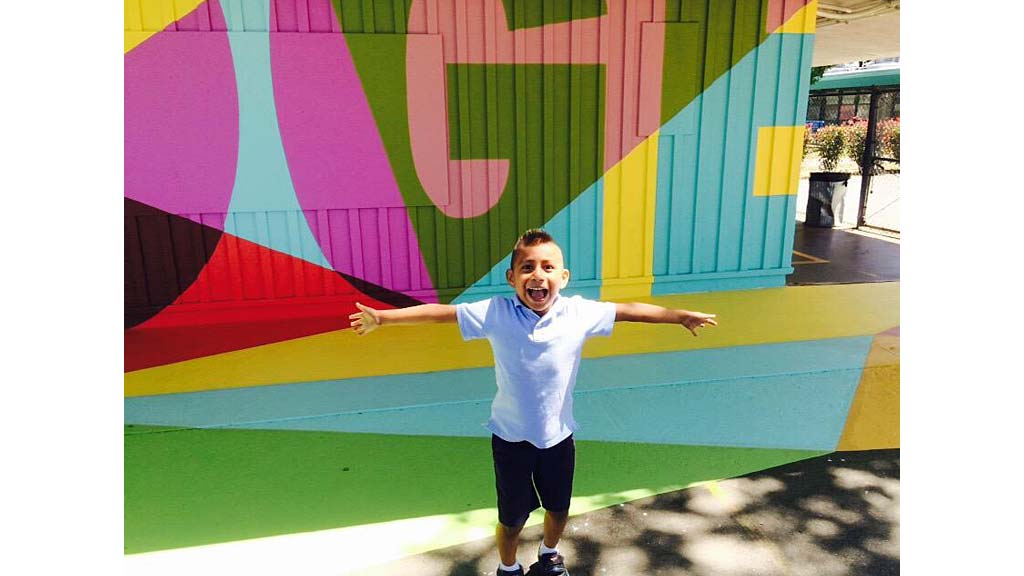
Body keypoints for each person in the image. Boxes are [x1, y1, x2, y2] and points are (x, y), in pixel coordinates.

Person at [349, 229, 717, 576]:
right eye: (527, 267)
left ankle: (547, 555)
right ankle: (508, 567)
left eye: (547, 267)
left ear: (564, 277)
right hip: (510, 440)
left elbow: (629, 309)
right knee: (511, 519)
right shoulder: (496, 313)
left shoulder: (578, 313)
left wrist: (679, 316)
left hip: (558, 438)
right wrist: (383, 317)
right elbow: (441, 314)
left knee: (559, 510)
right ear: (512, 278)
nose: (537, 275)